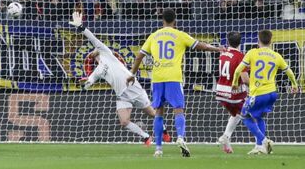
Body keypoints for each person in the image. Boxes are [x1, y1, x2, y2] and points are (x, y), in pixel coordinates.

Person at [127, 9, 223, 157]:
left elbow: (139, 57)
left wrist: (132, 74)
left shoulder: (153, 36)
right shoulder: (180, 35)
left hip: (158, 78)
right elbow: (202, 45)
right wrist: (218, 49)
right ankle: (180, 137)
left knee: (158, 112)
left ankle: (158, 148)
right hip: (174, 77)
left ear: (162, 20)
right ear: (175, 21)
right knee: (178, 109)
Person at [69, 12, 171, 146]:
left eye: (94, 50)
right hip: (122, 96)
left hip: (132, 87)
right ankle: (146, 137)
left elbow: (92, 38)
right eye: (92, 52)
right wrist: (84, 83)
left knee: (152, 113)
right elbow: (89, 83)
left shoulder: (106, 52)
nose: (93, 51)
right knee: (124, 121)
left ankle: (164, 130)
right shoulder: (97, 71)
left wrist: (81, 27)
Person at [232, 30, 299, 154]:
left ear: (258, 40)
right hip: (272, 93)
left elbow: (238, 70)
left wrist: (235, 83)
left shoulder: (252, 53)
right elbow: (289, 72)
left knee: (244, 116)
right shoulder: (276, 55)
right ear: (271, 41)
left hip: (258, 93)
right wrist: (294, 85)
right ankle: (259, 147)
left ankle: (264, 140)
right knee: (259, 117)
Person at [216, 32, 249, 153]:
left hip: (220, 92)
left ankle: (226, 139)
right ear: (240, 42)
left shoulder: (223, 54)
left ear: (228, 42)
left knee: (236, 115)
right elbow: (245, 79)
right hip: (234, 93)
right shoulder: (241, 56)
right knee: (251, 114)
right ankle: (261, 142)